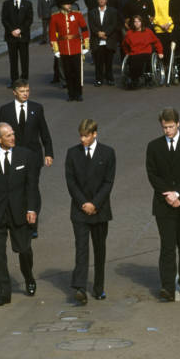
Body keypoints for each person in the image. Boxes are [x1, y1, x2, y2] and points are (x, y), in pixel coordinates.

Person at [0, 122, 40, 306]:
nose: (12, 137)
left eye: (13, 134)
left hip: (19, 212)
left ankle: (29, 277)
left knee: (23, 249)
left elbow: (31, 186)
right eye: (8, 135)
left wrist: (31, 209)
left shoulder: (25, 155)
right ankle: (4, 292)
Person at [146, 108, 180, 301]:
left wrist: (178, 194)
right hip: (163, 204)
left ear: (178, 124)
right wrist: (168, 195)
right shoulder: (153, 147)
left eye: (170, 126)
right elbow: (152, 174)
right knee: (167, 246)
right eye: (164, 127)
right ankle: (167, 287)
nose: (167, 131)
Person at [65, 118, 116, 304]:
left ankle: (99, 287)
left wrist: (94, 203)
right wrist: (84, 203)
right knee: (81, 248)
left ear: (95, 134)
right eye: (81, 136)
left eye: (86, 136)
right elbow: (71, 182)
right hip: (79, 210)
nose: (82, 139)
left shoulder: (108, 153)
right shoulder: (72, 153)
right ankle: (79, 287)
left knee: (99, 249)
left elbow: (108, 182)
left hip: (100, 210)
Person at [0, 79, 53, 238]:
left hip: (33, 156)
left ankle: (33, 223)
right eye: (22, 91)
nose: (25, 94)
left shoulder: (37, 108)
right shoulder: (5, 110)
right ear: (14, 92)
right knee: (17, 188)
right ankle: (17, 219)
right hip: (13, 156)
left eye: (27, 90)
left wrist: (48, 153)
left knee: (32, 187)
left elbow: (44, 132)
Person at [48, 0, 89, 102]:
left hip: (76, 46)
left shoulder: (77, 15)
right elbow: (52, 34)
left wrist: (85, 45)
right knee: (68, 73)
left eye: (69, 3)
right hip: (64, 48)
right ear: (61, 4)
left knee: (77, 72)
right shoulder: (55, 17)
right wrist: (55, 49)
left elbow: (85, 29)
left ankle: (79, 93)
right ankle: (71, 94)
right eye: (66, 3)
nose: (69, 5)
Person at [87, 0, 122, 86]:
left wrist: (105, 33)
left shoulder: (113, 11)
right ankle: (98, 79)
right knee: (98, 62)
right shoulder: (92, 12)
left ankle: (110, 78)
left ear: (106, 1)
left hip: (109, 39)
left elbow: (113, 24)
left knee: (109, 61)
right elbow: (92, 25)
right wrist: (99, 33)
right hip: (97, 40)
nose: (101, 1)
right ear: (97, 1)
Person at [1, 0, 34, 84]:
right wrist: (12, 30)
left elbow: (29, 20)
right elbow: (4, 19)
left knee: (24, 58)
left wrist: (20, 30)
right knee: (13, 60)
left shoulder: (28, 4)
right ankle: (14, 80)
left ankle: (24, 79)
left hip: (23, 35)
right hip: (11, 36)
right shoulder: (6, 4)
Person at [121, 14, 163, 89]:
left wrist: (160, 52)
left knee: (139, 59)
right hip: (134, 53)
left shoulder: (148, 31)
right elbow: (124, 45)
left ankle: (135, 79)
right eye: (135, 22)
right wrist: (127, 53)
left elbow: (157, 42)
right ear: (133, 23)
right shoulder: (129, 33)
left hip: (146, 52)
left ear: (141, 22)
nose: (137, 23)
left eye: (138, 21)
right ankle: (134, 79)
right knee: (133, 59)